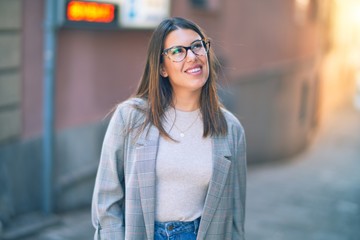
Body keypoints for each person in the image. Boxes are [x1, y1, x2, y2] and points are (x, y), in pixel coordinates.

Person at [91, 17, 247, 240]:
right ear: (162, 68)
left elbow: (235, 216)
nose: (192, 57)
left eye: (197, 46)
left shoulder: (230, 129)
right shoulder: (131, 117)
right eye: (177, 52)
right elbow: (107, 201)